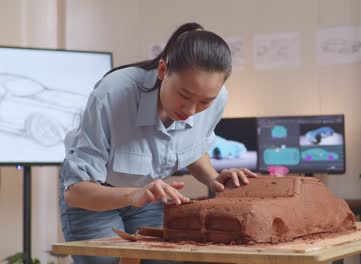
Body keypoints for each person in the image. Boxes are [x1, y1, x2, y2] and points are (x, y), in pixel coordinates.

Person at [59, 22, 257, 264]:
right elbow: (76, 193)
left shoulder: (217, 97)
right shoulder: (112, 94)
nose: (191, 110)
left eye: (205, 102)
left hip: (148, 196)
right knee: (106, 261)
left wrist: (215, 180)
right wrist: (133, 195)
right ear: (163, 70)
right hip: (94, 196)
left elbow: (192, 149)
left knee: (164, 259)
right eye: (184, 95)